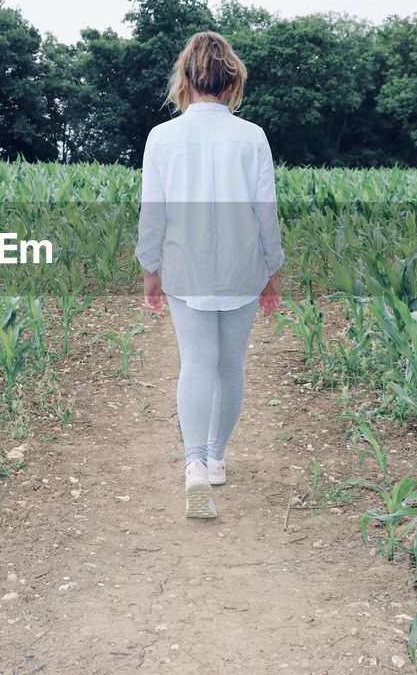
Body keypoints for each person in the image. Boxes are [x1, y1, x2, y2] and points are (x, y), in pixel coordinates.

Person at [135, 30, 285, 520]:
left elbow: (152, 213)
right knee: (230, 366)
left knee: (196, 364)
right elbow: (266, 211)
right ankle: (217, 458)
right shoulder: (252, 136)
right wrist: (272, 268)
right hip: (243, 267)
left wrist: (149, 267)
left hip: (185, 267)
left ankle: (195, 465)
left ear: (185, 78)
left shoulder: (162, 137)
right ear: (231, 81)